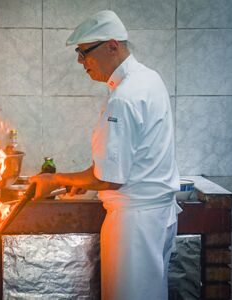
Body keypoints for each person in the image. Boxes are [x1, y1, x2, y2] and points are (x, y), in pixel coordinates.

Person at [29, 10, 182, 300]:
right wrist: (85, 180)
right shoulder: (149, 78)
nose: (80, 61)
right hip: (158, 216)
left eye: (84, 52)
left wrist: (53, 179)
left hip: (134, 223)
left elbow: (110, 179)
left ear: (112, 46)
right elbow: (127, 160)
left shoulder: (124, 97)